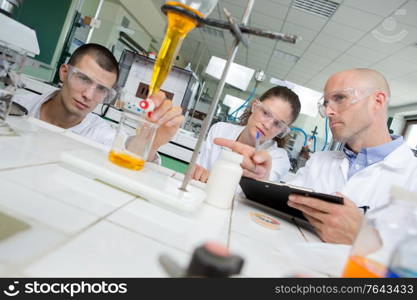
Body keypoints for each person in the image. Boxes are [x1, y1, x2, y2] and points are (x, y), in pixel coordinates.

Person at [215, 68, 417, 245]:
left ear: (377, 101)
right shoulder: (320, 162)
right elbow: (281, 207)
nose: (328, 111)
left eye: (340, 98)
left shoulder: (412, 176)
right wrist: (261, 182)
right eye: (326, 103)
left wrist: (363, 238)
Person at [13, 43, 183, 163]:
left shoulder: (100, 137)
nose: (88, 95)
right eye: (83, 78)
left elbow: (126, 154)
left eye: (101, 89)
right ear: (64, 73)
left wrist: (149, 141)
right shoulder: (15, 106)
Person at [192, 86, 301, 183]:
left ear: (282, 131)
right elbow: (199, 167)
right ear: (255, 107)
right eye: (266, 113)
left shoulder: (279, 158)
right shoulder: (220, 130)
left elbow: (263, 183)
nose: (267, 125)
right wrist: (199, 173)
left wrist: (262, 175)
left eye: (277, 124)